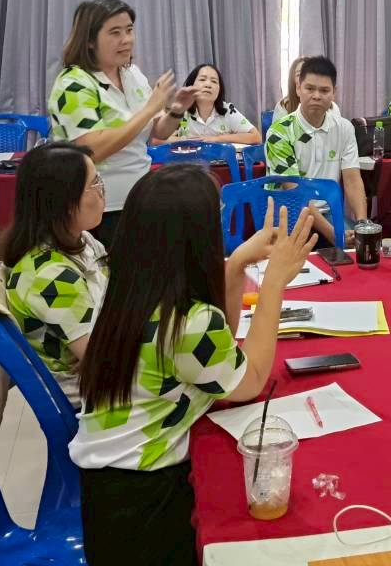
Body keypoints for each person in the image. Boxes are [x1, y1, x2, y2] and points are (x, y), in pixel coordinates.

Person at [71, 167, 316, 566]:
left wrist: (236, 265)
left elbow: (220, 351)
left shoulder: (126, 286)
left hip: (108, 489)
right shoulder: (188, 322)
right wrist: (273, 284)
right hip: (145, 504)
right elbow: (251, 380)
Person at [48, 0, 194, 245]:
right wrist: (149, 109)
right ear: (90, 40)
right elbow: (92, 149)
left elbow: (157, 132)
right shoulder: (73, 82)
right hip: (97, 208)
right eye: (115, 32)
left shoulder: (132, 74)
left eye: (129, 30)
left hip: (140, 196)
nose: (126, 39)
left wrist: (177, 110)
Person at [0, 142, 107, 408]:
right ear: (65, 203)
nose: (102, 190)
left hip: (104, 376)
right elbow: (106, 362)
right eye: (95, 183)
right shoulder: (50, 276)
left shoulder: (84, 242)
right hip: (90, 400)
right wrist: (104, 349)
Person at [265, 56, 367, 244]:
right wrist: (333, 234)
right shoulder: (279, 132)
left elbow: (353, 180)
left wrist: (362, 224)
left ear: (334, 93)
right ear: (298, 88)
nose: (317, 96)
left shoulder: (344, 128)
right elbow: (296, 193)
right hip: (288, 215)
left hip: (327, 214)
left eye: (324, 90)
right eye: (310, 88)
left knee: (360, 246)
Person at [161, 63, 260, 145]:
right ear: (191, 85)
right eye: (202, 79)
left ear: (219, 90)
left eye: (214, 81)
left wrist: (217, 139)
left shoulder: (228, 110)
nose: (208, 85)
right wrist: (187, 141)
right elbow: (158, 140)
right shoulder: (181, 109)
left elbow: (255, 137)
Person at [268, 55, 340, 133]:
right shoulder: (284, 106)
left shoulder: (333, 108)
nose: (303, 78)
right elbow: (277, 134)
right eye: (299, 75)